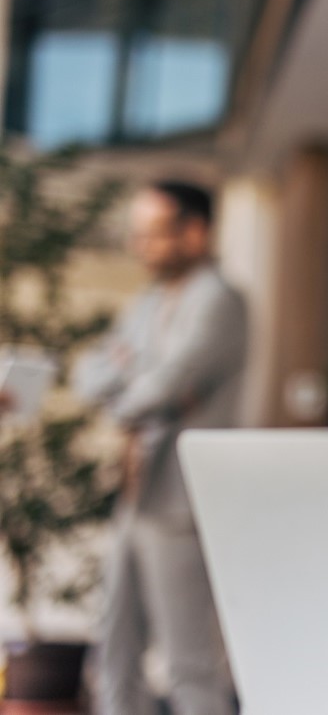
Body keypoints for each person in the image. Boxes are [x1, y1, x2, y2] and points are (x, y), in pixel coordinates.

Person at [73, 181, 246, 715]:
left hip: (175, 505)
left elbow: (163, 386)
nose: (139, 245)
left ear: (195, 232)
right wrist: (133, 386)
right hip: (133, 496)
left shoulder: (219, 300)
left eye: (152, 233)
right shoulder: (148, 303)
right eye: (137, 233)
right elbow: (90, 372)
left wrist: (132, 383)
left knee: (185, 663)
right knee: (113, 653)